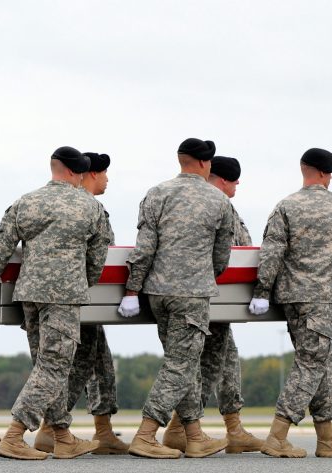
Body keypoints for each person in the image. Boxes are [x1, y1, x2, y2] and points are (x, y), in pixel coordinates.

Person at [0, 146, 110, 460]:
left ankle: (62, 436)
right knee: (53, 367)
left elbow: (0, 248)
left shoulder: (26, 202)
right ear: (77, 172)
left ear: (54, 169)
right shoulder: (91, 207)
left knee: (46, 367)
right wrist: (84, 282)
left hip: (30, 295)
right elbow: (97, 258)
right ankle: (14, 436)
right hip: (64, 296)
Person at [118, 138, 234, 459]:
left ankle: (194, 436)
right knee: (181, 364)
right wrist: (201, 274)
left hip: (156, 293)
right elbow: (221, 258)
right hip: (192, 293)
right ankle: (145, 434)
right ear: (203, 164)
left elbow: (143, 250)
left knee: (183, 363)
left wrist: (132, 289)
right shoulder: (219, 201)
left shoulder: (156, 193)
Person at [249, 148, 332, 458]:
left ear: (304, 169)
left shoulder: (286, 205)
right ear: (328, 174)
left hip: (290, 296)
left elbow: (272, 253)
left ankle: (327, 436)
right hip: (324, 295)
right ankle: (278, 434)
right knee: (312, 363)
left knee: (320, 362)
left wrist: (262, 292)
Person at [161, 155, 263, 454]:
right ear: (222, 180)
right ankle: (181, 428)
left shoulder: (176, 200)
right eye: (234, 182)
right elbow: (242, 246)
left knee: (226, 360)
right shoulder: (219, 206)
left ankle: (233, 427)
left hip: (182, 295)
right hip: (209, 297)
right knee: (206, 364)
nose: (236, 187)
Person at [31, 152, 128, 456]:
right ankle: (51, 428)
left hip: (74, 295)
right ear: (88, 175)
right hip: (73, 296)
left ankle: (103, 430)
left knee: (101, 362)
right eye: (103, 172)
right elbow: (100, 253)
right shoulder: (86, 207)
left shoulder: (62, 203)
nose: (107, 178)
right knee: (78, 363)